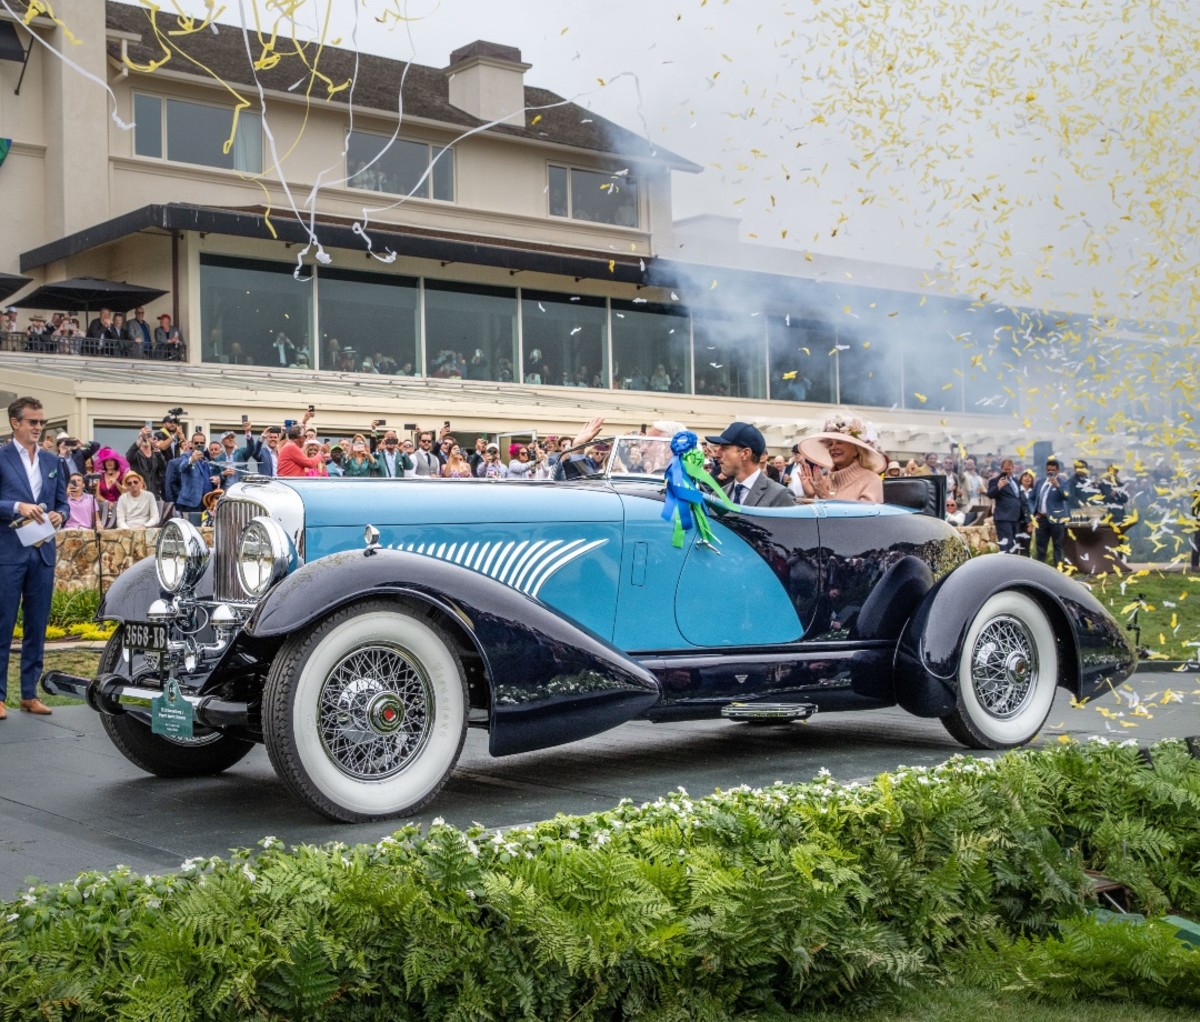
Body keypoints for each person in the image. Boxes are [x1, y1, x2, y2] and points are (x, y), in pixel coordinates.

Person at [0, 396, 68, 718]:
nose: (39, 427)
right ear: (15, 423)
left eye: (41, 422)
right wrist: (16, 507)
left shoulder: (53, 462)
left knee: (36, 625)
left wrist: (60, 516)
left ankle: (29, 694)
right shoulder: (0, 457)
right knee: (3, 625)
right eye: (33, 422)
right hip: (9, 553)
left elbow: (63, 503)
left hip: (43, 551)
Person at [796, 410, 887, 503]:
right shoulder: (826, 481)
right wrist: (811, 495)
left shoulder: (871, 480)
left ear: (856, 450)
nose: (833, 447)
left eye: (839, 442)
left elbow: (865, 516)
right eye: (830, 444)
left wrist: (825, 497)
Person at [705, 421, 794, 507]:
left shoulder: (780, 497)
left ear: (745, 454)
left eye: (724, 448)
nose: (717, 454)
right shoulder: (718, 496)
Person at [1033, 457, 1071, 567]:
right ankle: (1040, 569)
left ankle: (1057, 570)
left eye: (1053, 470)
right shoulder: (1040, 482)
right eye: (1048, 470)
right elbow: (1033, 497)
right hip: (1042, 519)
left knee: (1057, 545)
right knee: (1040, 546)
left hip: (1057, 519)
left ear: (1057, 471)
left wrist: (1058, 486)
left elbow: (1066, 497)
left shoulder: (1063, 482)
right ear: (1045, 470)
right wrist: (1034, 512)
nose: (1050, 472)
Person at [987, 458, 1023, 553]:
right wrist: (998, 486)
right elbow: (990, 494)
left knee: (1015, 545)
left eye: (1009, 469)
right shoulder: (995, 481)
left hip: (1016, 517)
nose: (1007, 471)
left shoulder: (1016, 481)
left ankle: (1014, 566)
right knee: (1007, 545)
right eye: (1005, 469)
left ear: (1013, 469)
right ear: (1001, 469)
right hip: (1003, 517)